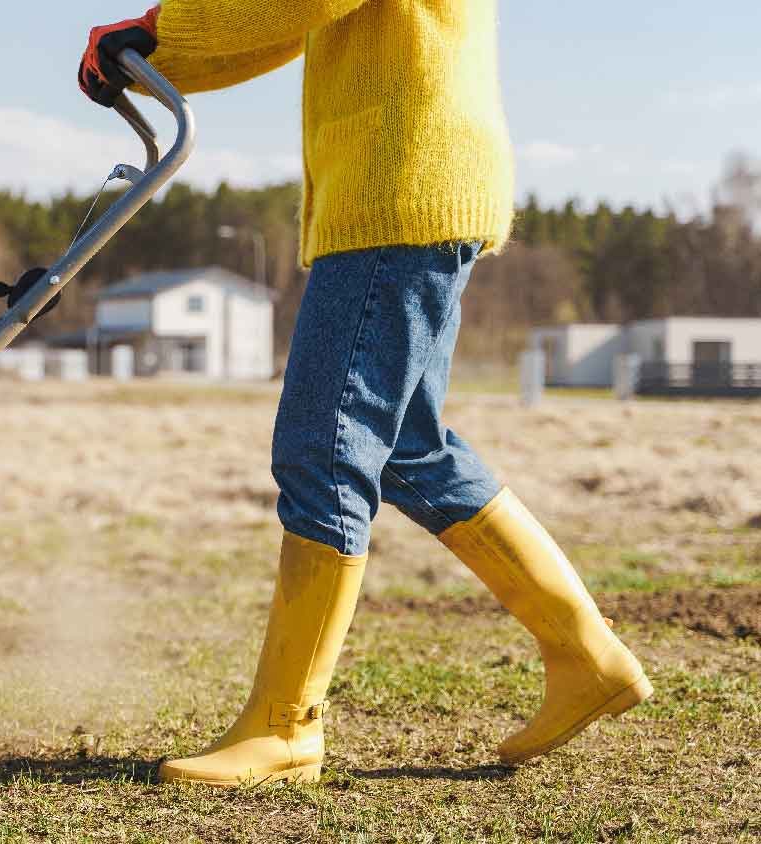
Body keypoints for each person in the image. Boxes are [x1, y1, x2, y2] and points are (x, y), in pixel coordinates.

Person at [77, 1, 652, 786]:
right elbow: (291, 23)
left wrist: (162, 28)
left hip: (400, 185)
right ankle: (586, 654)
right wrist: (159, 58)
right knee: (410, 450)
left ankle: (286, 728)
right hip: (414, 185)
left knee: (326, 443)